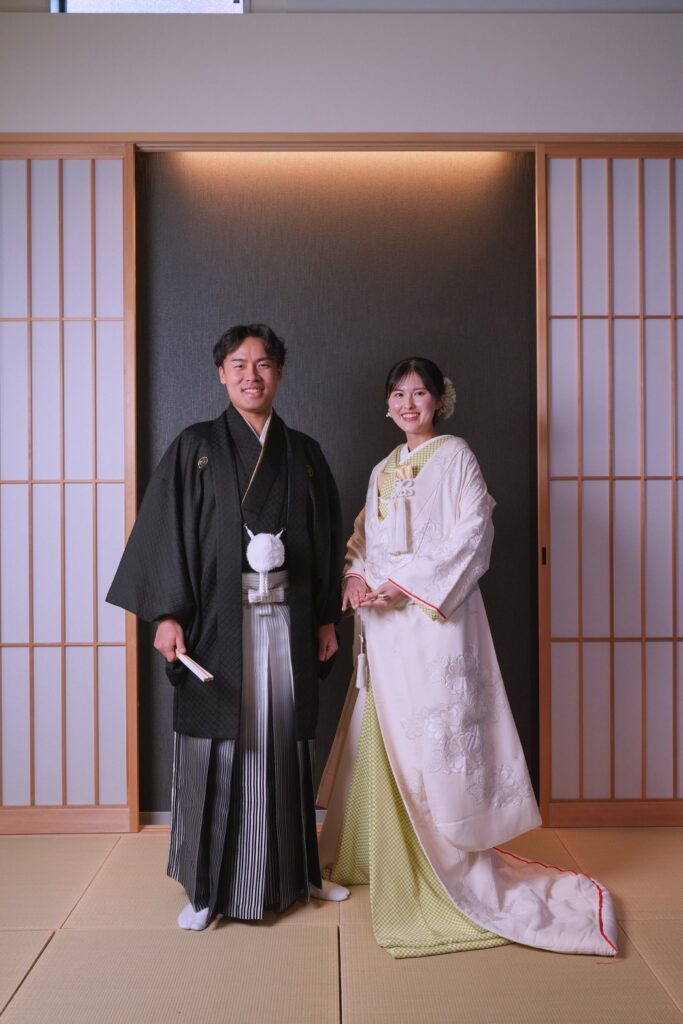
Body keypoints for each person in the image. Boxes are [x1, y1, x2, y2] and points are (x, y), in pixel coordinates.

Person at [317, 356, 617, 959]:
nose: (408, 404)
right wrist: (354, 577)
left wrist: (406, 585)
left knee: (437, 741)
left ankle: (441, 867)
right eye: (398, 394)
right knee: (383, 735)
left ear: (439, 401)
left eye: (419, 393)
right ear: (387, 405)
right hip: (384, 626)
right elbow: (363, 540)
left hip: (435, 622)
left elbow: (473, 534)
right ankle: (382, 853)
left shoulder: (457, 457)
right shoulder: (381, 469)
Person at [107, 323, 348, 930]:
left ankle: (297, 874)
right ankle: (206, 888)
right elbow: (164, 531)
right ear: (221, 374)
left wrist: (325, 617)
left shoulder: (305, 454)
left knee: (283, 743)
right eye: (238, 364)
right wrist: (166, 614)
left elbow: (324, 538)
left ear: (279, 373)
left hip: (288, 623)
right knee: (215, 750)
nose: (251, 375)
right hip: (215, 624)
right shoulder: (196, 447)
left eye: (263, 364)